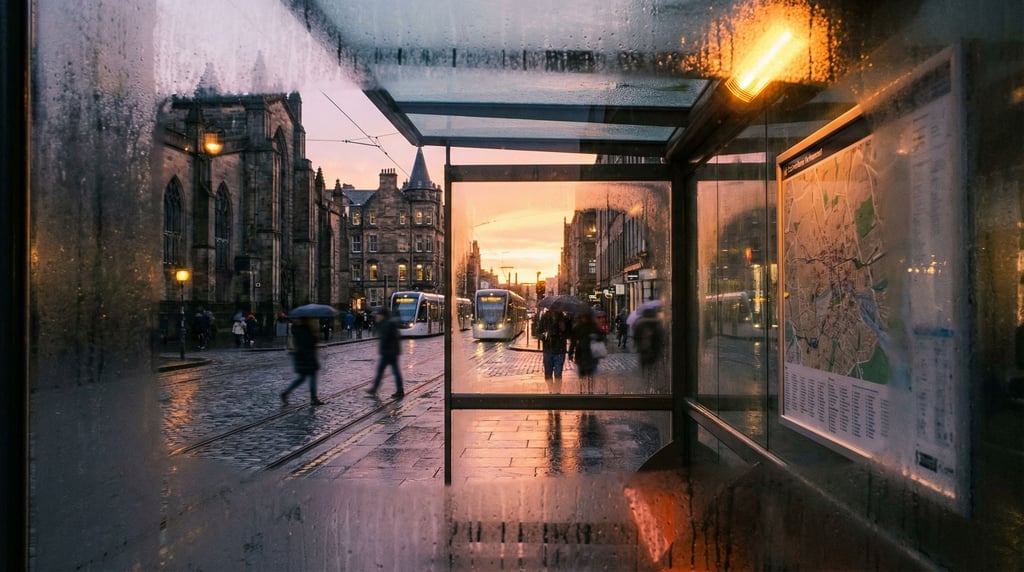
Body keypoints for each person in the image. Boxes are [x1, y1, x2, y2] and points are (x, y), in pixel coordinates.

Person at [280, 317, 325, 406]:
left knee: (301, 378)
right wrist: (315, 335)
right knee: (312, 376)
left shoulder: (296, 328)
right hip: (308, 356)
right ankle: (313, 398)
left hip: (300, 356)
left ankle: (286, 393)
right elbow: (310, 341)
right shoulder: (305, 329)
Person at [366, 307, 405, 398]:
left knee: (384, 371)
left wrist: (381, 347)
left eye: (378, 315)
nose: (376, 316)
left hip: (388, 352)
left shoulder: (386, 324)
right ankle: (399, 390)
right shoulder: (388, 323)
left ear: (382, 316)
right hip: (392, 351)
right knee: (393, 371)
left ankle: (375, 389)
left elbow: (385, 338)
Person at [569, 312, 604, 393]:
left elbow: (601, 338)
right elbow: (573, 341)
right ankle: (583, 390)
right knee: (582, 374)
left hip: (591, 354)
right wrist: (570, 353)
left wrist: (595, 338)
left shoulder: (594, 327)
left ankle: (590, 391)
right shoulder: (578, 327)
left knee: (591, 373)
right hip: (581, 354)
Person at [538, 310, 570, 390]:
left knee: (558, 374)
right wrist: (543, 335)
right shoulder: (545, 317)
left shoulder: (563, 318)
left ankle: (557, 393)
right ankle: (550, 391)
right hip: (548, 349)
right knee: (548, 374)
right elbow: (538, 331)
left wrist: (564, 328)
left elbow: (569, 333)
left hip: (559, 350)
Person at [631, 307, 666, 382]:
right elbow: (661, 336)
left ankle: (645, 378)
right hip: (655, 348)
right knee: (654, 365)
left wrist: (636, 344)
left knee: (645, 365)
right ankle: (653, 379)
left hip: (643, 349)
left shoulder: (639, 323)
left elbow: (636, 336)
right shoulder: (657, 323)